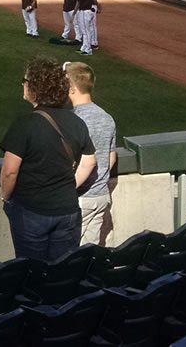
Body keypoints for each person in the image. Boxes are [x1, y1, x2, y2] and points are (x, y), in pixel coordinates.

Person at [0, 58, 96, 262]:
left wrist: (6, 198)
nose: (23, 85)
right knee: (61, 274)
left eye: (25, 81)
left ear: (34, 87)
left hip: (31, 211)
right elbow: (89, 160)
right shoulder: (77, 122)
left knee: (32, 274)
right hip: (68, 210)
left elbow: (9, 171)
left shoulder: (25, 124)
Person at [65, 61, 118, 246]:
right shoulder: (106, 116)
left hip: (80, 198)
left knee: (67, 255)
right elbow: (110, 158)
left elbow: (83, 162)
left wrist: (67, 190)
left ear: (71, 88)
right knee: (89, 255)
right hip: (101, 196)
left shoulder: (73, 119)